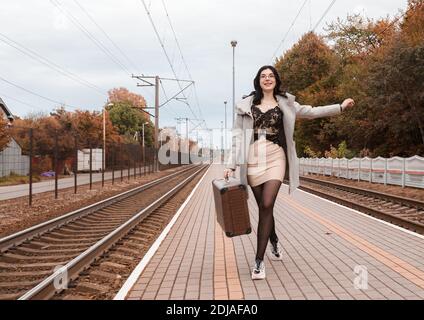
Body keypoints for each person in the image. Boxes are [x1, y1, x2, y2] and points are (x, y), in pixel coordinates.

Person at [224, 65, 355, 280]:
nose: (267, 79)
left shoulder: (286, 102)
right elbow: (237, 137)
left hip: (276, 156)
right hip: (253, 158)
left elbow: (312, 112)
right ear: (258, 80)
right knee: (263, 208)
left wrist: (339, 107)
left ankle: (258, 262)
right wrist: (231, 165)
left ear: (276, 79)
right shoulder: (245, 105)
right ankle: (274, 241)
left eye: (271, 76)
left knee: (267, 204)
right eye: (263, 76)